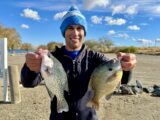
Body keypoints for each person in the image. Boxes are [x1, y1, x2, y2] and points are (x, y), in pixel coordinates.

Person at [21, 5, 136, 120]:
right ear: (64, 32)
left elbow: (121, 78)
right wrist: (30, 68)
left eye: (79, 28)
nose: (75, 33)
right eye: (70, 28)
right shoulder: (51, 58)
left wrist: (126, 67)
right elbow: (28, 83)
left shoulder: (96, 57)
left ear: (84, 32)